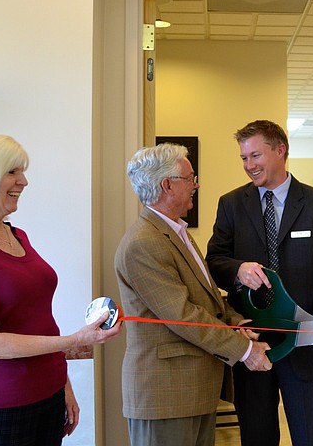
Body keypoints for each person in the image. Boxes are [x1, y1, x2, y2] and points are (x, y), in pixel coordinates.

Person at [0, 133, 122, 446]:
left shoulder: (17, 235)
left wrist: (63, 383)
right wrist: (77, 340)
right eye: (12, 172)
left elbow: (38, 320)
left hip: (46, 393)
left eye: (22, 171)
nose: (24, 181)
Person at [115, 143, 272, 446]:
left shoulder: (175, 233)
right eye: (190, 178)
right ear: (167, 185)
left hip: (192, 391)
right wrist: (244, 349)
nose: (196, 185)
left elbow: (207, 300)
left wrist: (237, 322)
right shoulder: (143, 243)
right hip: (166, 396)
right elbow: (182, 315)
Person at [206, 120, 313, 446]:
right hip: (252, 344)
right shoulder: (231, 204)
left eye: (255, 155)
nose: (249, 166)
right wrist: (237, 269)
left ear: (280, 150)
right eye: (243, 158)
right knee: (257, 437)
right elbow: (214, 261)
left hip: (305, 343)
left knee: (312, 437)